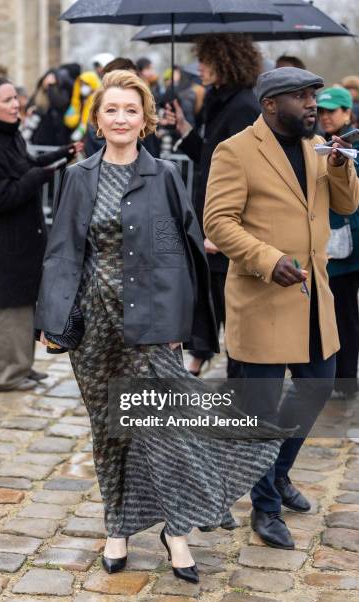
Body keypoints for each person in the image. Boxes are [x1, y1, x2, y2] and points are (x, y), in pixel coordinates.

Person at [35, 70, 284, 583]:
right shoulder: (80, 177)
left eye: (131, 109)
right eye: (112, 110)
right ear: (98, 120)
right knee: (110, 434)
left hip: (151, 328)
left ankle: (177, 530)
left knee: (166, 433)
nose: (121, 118)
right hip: (95, 329)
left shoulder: (166, 175)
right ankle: (118, 528)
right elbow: (63, 252)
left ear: (145, 119)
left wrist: (180, 325)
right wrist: (51, 319)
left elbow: (178, 255)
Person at [204, 67, 359, 550]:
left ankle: (279, 471)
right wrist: (268, 261)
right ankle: (265, 508)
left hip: (315, 300)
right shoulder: (235, 151)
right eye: (301, 97)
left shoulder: (316, 148)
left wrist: (338, 166)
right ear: (271, 104)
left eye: (314, 96)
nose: (312, 104)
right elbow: (218, 221)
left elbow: (347, 206)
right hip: (262, 298)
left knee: (316, 386)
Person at [0, 77, 82, 392]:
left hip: (20, 240)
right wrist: (37, 177)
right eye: (7, 100)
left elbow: (28, 165)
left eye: (15, 97)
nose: (15, 104)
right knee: (11, 307)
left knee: (25, 303)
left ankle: (22, 366)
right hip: (0, 245)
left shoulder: (8, 135)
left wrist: (63, 154)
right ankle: (4, 375)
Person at [164, 34, 261, 377]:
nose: (199, 68)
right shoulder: (219, 102)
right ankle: (207, 355)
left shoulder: (244, 106)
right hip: (208, 218)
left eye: (205, 61)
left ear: (224, 62)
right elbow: (210, 159)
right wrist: (184, 128)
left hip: (228, 227)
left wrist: (225, 232)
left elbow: (245, 174)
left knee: (233, 308)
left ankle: (242, 382)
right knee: (209, 298)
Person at [317, 86, 359, 399]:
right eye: (320, 111)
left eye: (332, 110)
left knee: (346, 316)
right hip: (336, 244)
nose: (325, 117)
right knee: (340, 314)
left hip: (349, 242)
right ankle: (341, 378)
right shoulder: (318, 144)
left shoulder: (350, 146)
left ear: (348, 113)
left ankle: (346, 381)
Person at [26, 69, 72, 147]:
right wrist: (31, 110)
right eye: (46, 79)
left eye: (51, 79)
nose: (48, 81)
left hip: (56, 137)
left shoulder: (62, 93)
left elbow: (58, 104)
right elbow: (30, 107)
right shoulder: (38, 94)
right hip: (38, 137)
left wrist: (51, 87)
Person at [64, 71, 101, 142]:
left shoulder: (98, 100)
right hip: (80, 137)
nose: (83, 87)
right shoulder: (79, 99)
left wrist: (81, 129)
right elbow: (70, 119)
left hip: (92, 137)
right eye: (81, 85)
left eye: (86, 84)